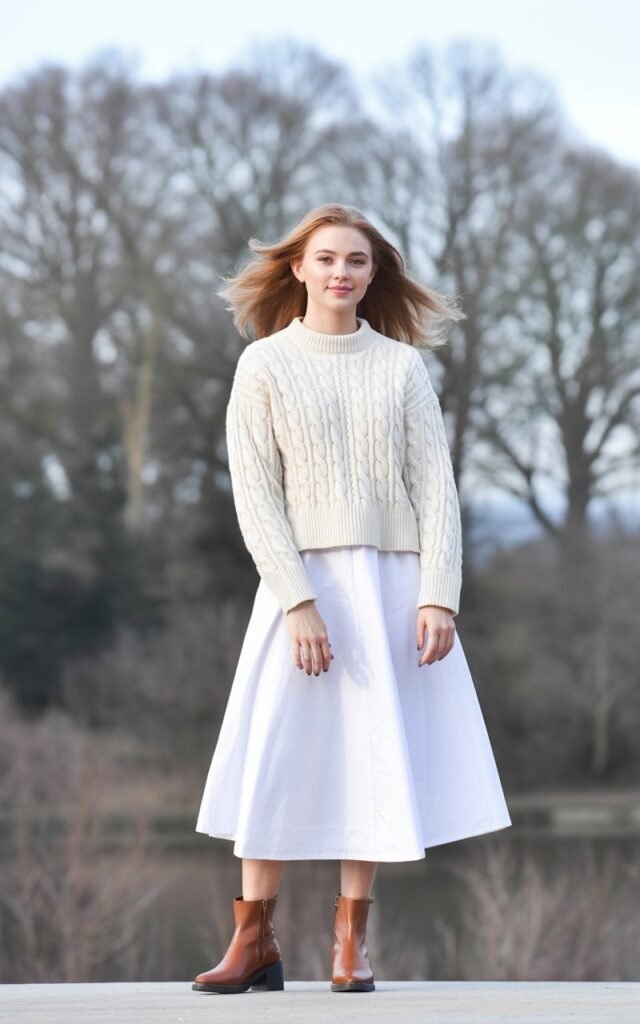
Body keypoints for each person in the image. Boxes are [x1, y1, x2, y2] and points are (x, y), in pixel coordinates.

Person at [192, 203, 512, 995]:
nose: (342, 272)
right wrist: (298, 602)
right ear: (297, 267)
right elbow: (257, 498)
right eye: (327, 258)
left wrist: (439, 595)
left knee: (372, 753)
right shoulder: (263, 366)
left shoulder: (402, 367)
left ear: (375, 275)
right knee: (273, 752)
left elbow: (436, 490)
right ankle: (254, 940)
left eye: (358, 262)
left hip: (390, 587)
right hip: (296, 587)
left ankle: (350, 945)